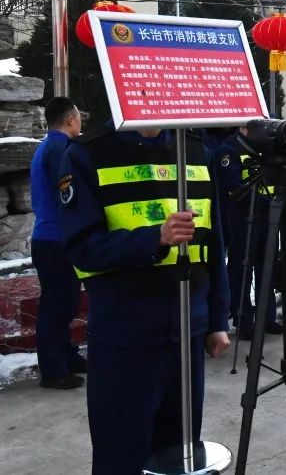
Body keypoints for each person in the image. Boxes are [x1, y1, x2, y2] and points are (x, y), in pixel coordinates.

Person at [58, 126, 230, 474]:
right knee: (121, 455)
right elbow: (82, 249)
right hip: (126, 335)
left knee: (179, 457)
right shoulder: (87, 154)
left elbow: (214, 243)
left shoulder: (197, 151)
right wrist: (155, 238)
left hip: (187, 333)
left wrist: (216, 320)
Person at [29, 96, 85, 389]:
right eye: (78, 116)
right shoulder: (59, 149)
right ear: (69, 119)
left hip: (52, 238)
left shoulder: (50, 146)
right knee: (56, 305)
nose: (80, 121)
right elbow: (68, 196)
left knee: (65, 302)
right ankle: (53, 370)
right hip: (54, 239)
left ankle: (66, 354)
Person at [214, 127, 281, 339]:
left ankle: (268, 318)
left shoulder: (264, 148)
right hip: (243, 219)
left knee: (267, 267)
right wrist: (269, 203)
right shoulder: (228, 150)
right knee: (241, 269)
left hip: (266, 217)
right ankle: (243, 320)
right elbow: (234, 189)